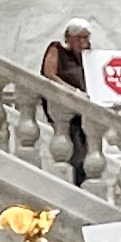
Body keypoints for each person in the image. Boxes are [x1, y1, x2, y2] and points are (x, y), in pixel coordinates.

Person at [38, 19, 93, 185]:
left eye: (85, 37)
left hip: (84, 108)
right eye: (79, 38)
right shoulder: (57, 49)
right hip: (64, 106)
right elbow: (49, 73)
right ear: (68, 38)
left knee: (86, 147)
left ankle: (81, 181)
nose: (83, 42)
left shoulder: (87, 55)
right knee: (71, 146)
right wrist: (72, 91)